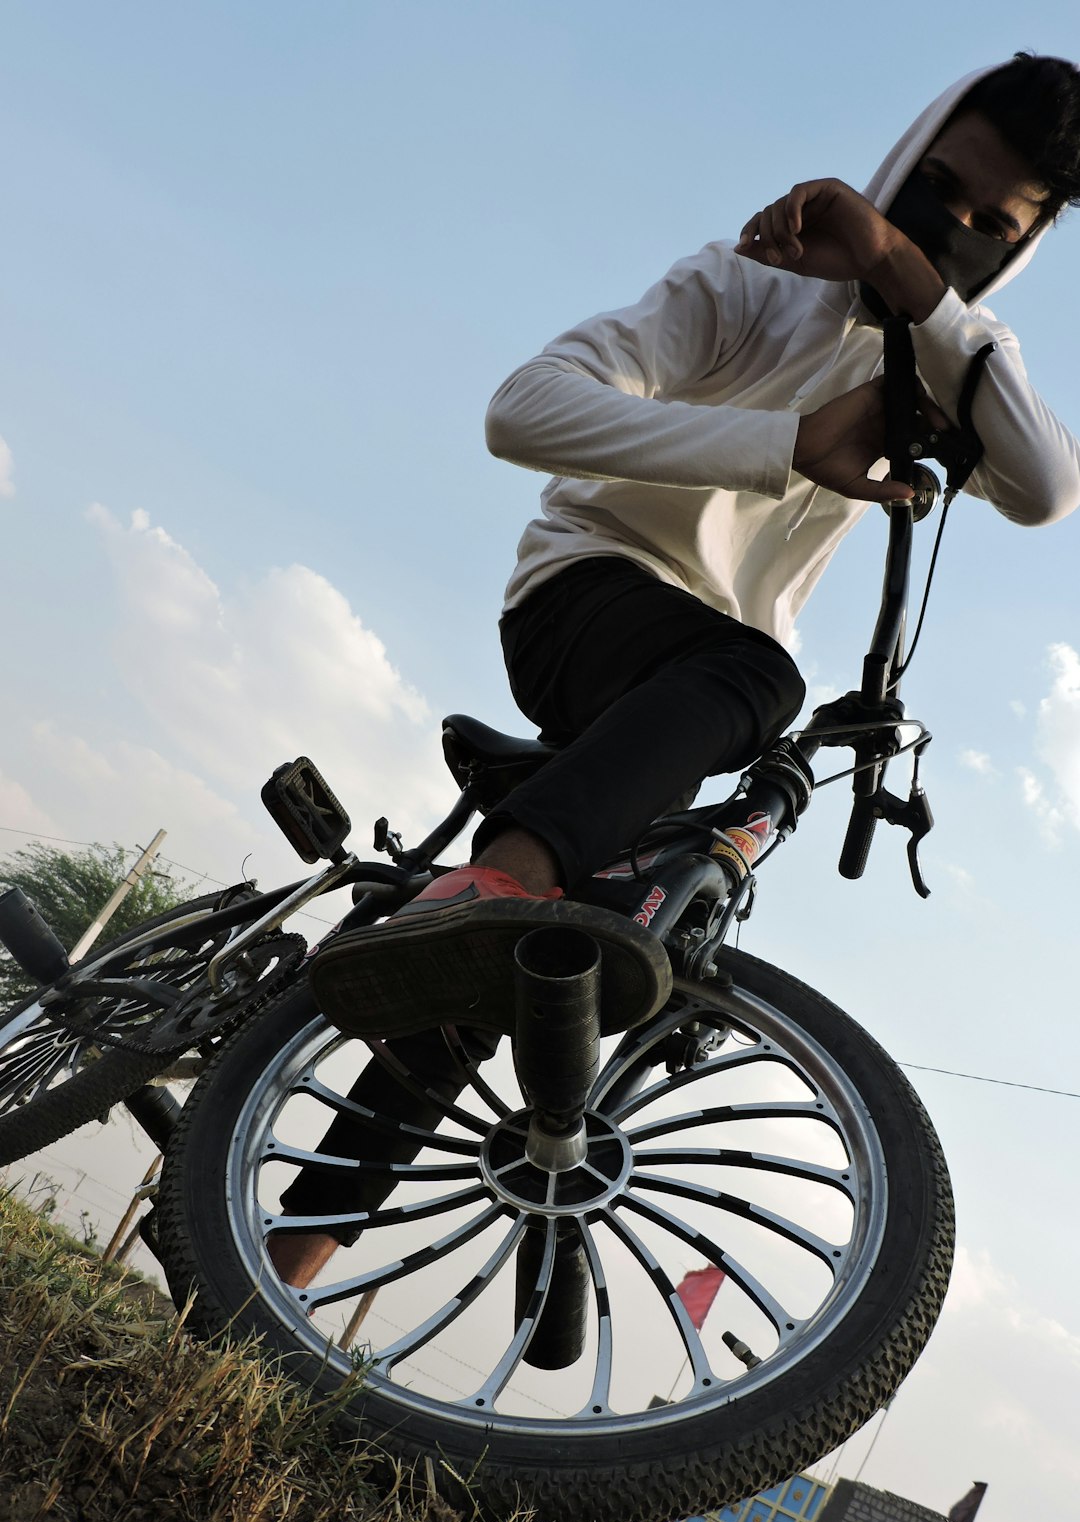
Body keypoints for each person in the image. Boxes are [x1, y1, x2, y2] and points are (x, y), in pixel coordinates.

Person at [271, 54, 1080, 1288]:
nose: (952, 228)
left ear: (1023, 249)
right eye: (936, 187)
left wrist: (909, 279)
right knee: (753, 681)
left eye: (992, 227)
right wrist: (783, 444)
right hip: (582, 594)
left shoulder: (948, 365)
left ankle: (274, 1262)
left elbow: (1046, 487)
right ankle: (499, 878)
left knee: (528, 969)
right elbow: (520, 409)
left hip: (684, 699)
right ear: (902, 157)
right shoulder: (747, 282)